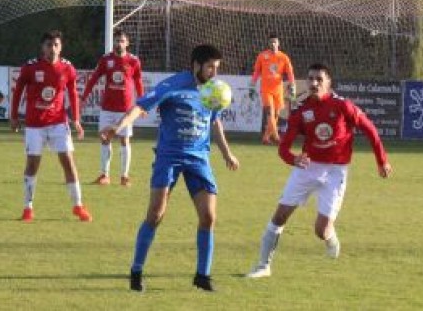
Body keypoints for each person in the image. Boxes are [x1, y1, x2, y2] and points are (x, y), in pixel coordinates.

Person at [101, 44, 239, 292]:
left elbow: (214, 122)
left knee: (208, 216)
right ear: (196, 65)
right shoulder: (173, 84)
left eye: (217, 68)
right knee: (155, 215)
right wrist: (118, 127)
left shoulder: (212, 91)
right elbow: (141, 106)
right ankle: (136, 270)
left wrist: (227, 153)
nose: (214, 73)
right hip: (169, 156)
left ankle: (202, 276)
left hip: (198, 158)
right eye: (210, 67)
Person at [246, 63, 392, 278]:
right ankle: (263, 266)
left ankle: (331, 239)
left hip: (336, 172)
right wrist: (294, 159)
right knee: (279, 216)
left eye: (319, 79)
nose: (314, 83)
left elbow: (369, 129)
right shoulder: (301, 110)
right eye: (311, 79)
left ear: (328, 83)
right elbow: (284, 147)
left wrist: (382, 161)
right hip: (307, 168)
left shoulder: (343, 106)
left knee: (321, 230)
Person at [10, 30, 92, 223]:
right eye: (49, 45)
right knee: (32, 164)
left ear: (61, 47)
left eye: (56, 45)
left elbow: (72, 93)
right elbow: (18, 91)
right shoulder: (30, 67)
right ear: (42, 47)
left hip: (58, 123)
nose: (52, 49)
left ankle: (78, 206)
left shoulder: (67, 68)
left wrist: (76, 120)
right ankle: (27, 208)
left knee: (68, 162)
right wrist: (14, 116)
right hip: (34, 125)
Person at [81, 30, 144, 187]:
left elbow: (138, 83)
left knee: (124, 140)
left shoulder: (134, 61)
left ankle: (124, 176)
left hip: (126, 110)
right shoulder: (106, 59)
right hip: (107, 107)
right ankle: (104, 175)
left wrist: (143, 104)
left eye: (122, 41)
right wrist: (83, 97)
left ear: (127, 43)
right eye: (117, 40)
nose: (119, 43)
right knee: (105, 139)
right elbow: (94, 78)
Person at [250, 34, 296, 145]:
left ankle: (266, 137)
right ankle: (276, 136)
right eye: (271, 42)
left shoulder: (284, 57)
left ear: (278, 43)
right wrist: (252, 85)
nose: (273, 44)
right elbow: (256, 72)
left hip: (278, 89)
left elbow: (290, 73)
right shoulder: (262, 56)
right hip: (266, 89)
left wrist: (293, 86)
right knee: (270, 112)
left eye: (275, 42)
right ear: (268, 44)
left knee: (275, 114)